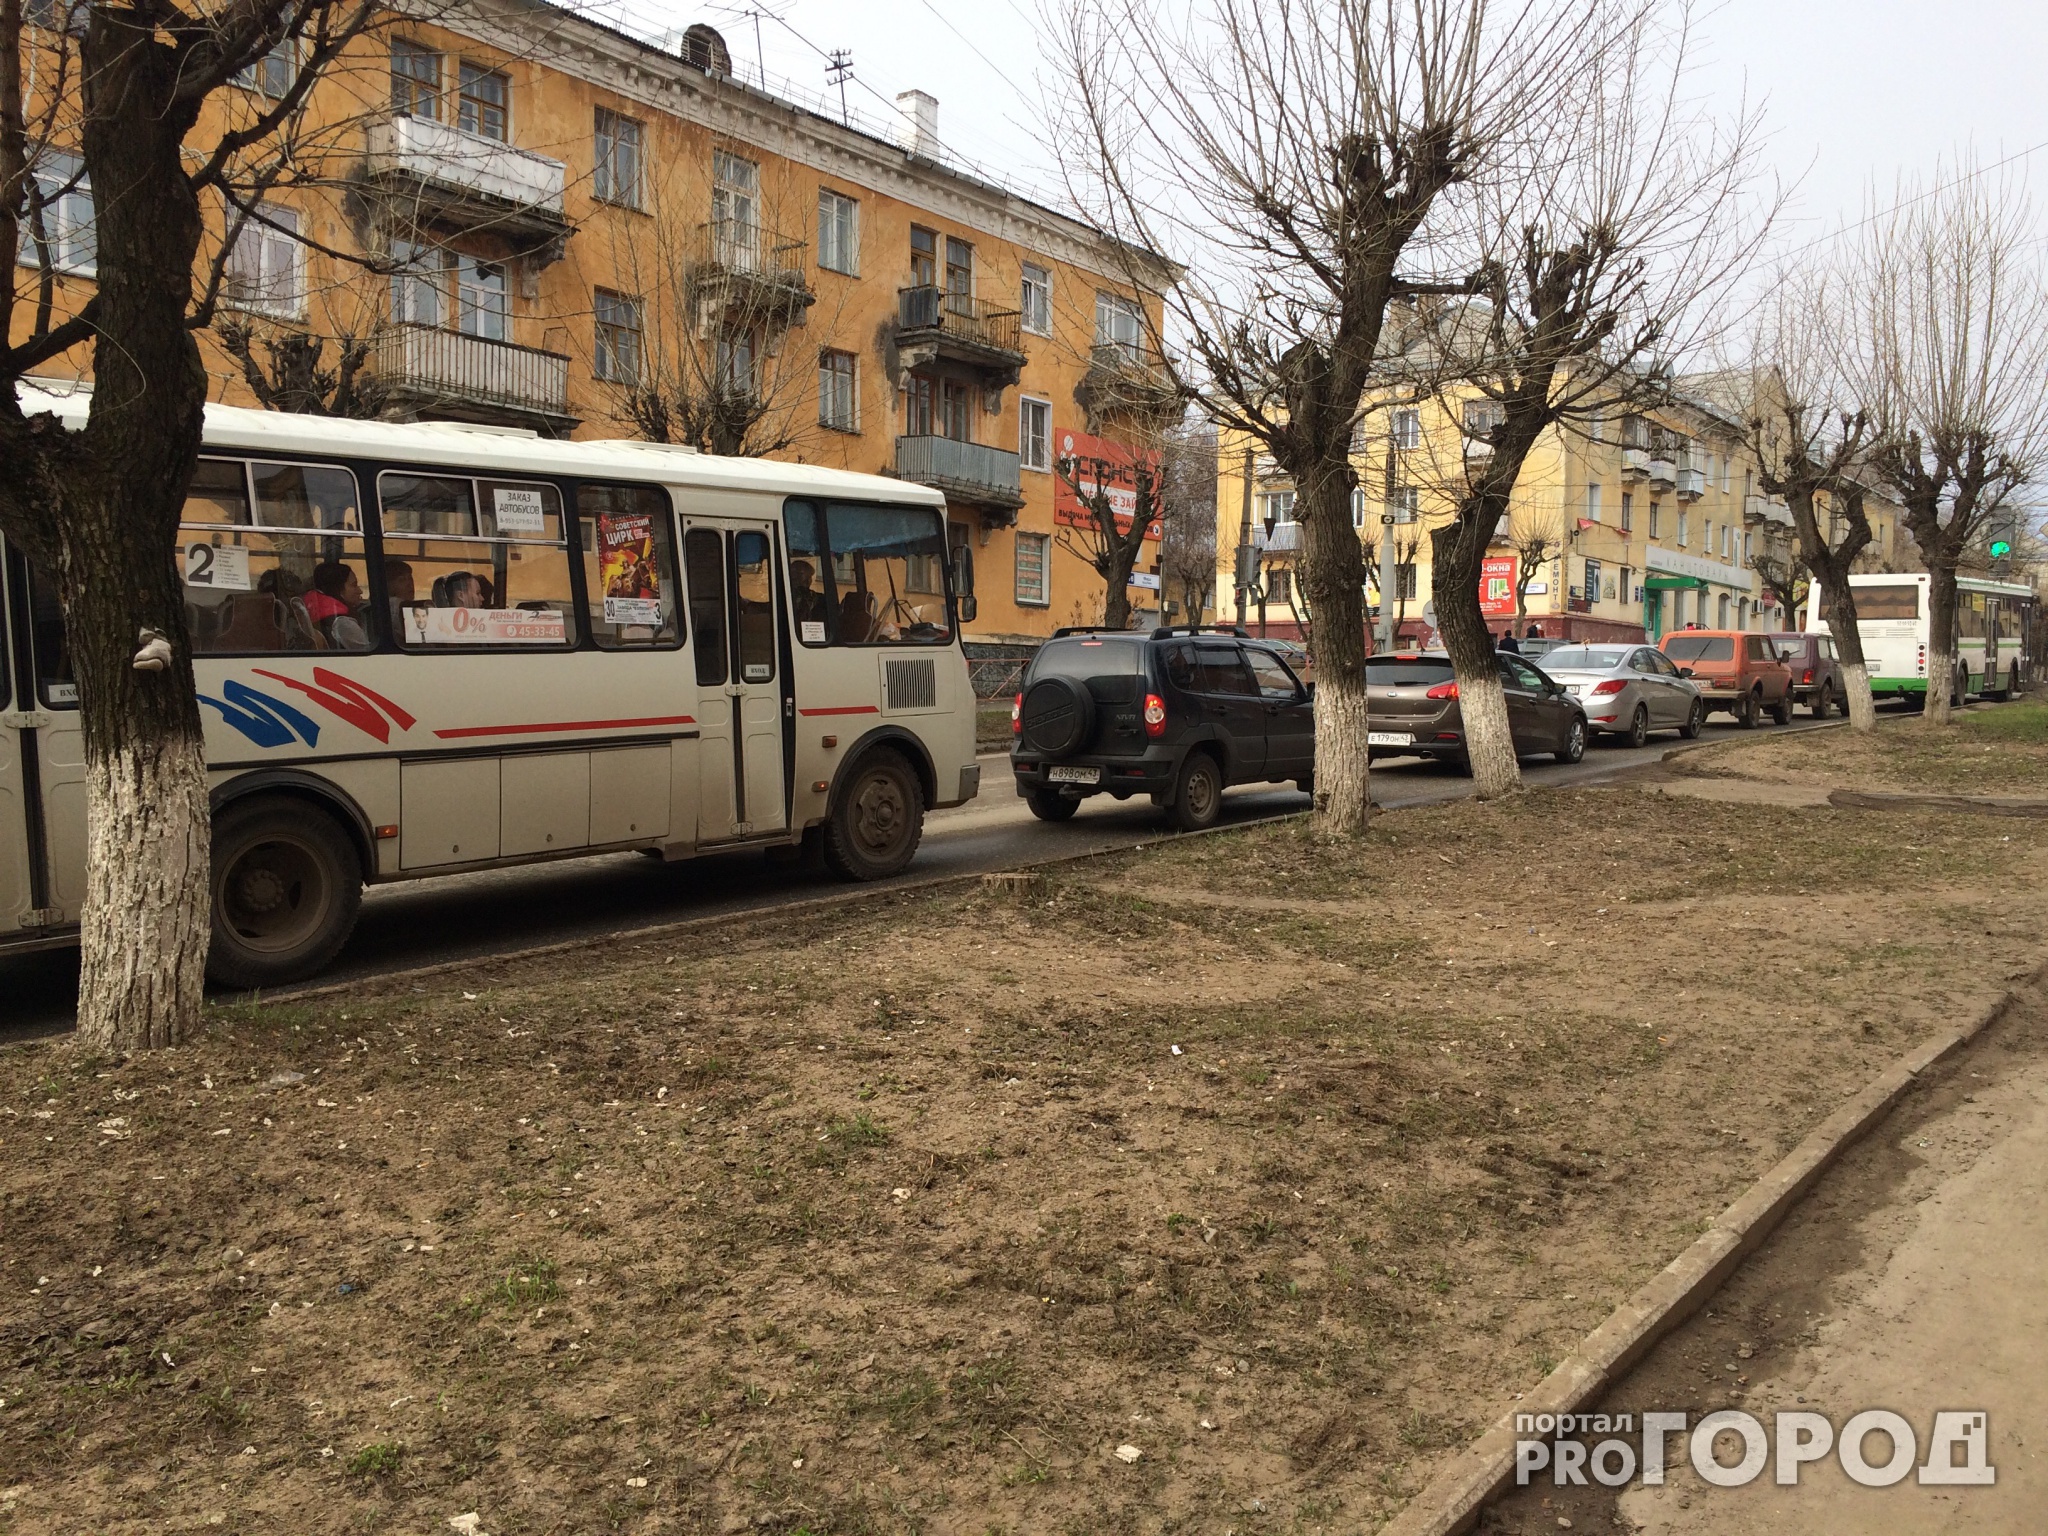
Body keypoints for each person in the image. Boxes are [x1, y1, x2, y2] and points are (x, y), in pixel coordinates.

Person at [306, 561, 370, 650]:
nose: (360, 591)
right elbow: (369, 652)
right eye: (354, 585)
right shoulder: (343, 623)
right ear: (338, 590)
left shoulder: (325, 615)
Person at [789, 559, 827, 628]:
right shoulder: (785, 598)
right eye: (802, 575)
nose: (808, 580)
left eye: (810, 576)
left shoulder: (821, 599)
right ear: (792, 576)